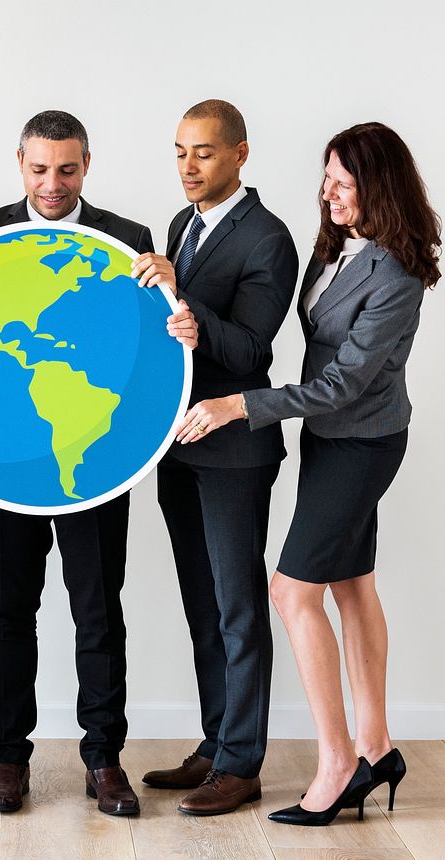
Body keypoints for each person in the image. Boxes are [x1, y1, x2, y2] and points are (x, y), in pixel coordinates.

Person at [0, 109, 198, 817]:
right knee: (10, 609)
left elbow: (147, 351)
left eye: (66, 169)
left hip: (93, 453)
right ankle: (8, 761)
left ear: (87, 163)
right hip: (8, 455)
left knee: (98, 610)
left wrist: (180, 317)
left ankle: (105, 760)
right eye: (39, 169)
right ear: (20, 164)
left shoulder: (129, 242)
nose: (52, 183)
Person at [179, 122, 441, 826]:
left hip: (361, 443)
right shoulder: (337, 245)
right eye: (326, 177)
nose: (328, 192)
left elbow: (343, 386)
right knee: (353, 589)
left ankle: (336, 765)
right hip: (331, 441)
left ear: (378, 188)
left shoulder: (397, 275)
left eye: (344, 183)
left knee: (292, 595)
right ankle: (377, 747)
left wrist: (241, 405)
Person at [130, 99, 298, 816]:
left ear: (240, 154)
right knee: (202, 603)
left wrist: (193, 317)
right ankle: (216, 739)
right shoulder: (182, 227)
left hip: (235, 450)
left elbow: (252, 352)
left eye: (202, 152)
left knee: (236, 605)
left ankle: (242, 764)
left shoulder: (270, 240)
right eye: (178, 152)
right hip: (180, 447)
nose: (187, 167)